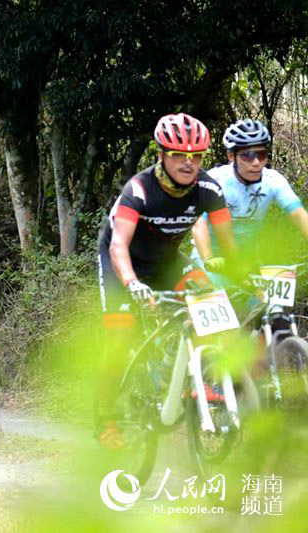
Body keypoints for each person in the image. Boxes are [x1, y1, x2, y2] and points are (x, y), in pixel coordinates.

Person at [96, 113, 242, 450]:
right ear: (161, 154)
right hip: (123, 263)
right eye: (179, 155)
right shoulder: (139, 190)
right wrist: (132, 283)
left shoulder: (208, 189)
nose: (188, 164)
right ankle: (106, 420)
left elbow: (229, 248)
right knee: (118, 337)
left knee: (213, 302)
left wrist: (245, 278)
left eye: (196, 157)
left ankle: (202, 382)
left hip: (168, 262)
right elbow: (118, 246)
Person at [192, 119, 308, 271]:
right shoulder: (215, 180)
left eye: (261, 155)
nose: (256, 162)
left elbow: (299, 215)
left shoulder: (273, 180)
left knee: (259, 295)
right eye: (247, 156)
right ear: (231, 156)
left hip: (247, 260)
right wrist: (209, 259)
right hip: (211, 260)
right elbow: (199, 223)